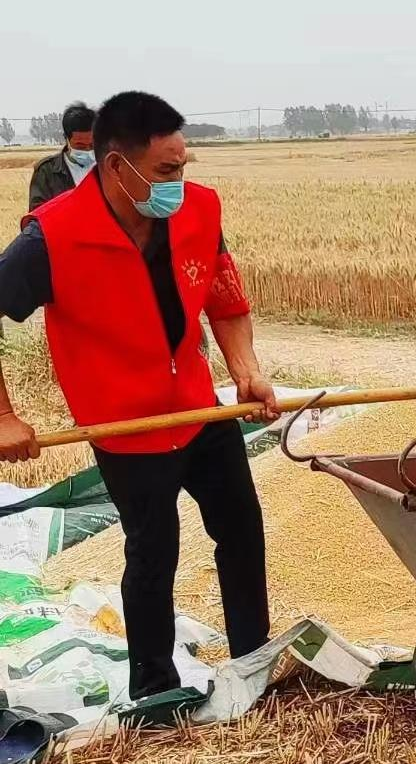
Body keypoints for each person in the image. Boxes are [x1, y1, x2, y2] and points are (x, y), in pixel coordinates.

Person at [0, 92, 278, 698]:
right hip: (126, 423)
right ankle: (155, 690)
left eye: (183, 166)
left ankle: (252, 664)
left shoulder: (199, 211)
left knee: (241, 529)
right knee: (154, 553)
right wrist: (3, 415)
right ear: (115, 166)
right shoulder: (53, 237)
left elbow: (224, 297)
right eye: (165, 171)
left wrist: (246, 368)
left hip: (202, 407)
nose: (179, 182)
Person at [28, 102, 98, 212]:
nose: (88, 151)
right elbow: (38, 214)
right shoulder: (47, 171)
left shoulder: (109, 168)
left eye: (92, 145)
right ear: (66, 139)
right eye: (80, 146)